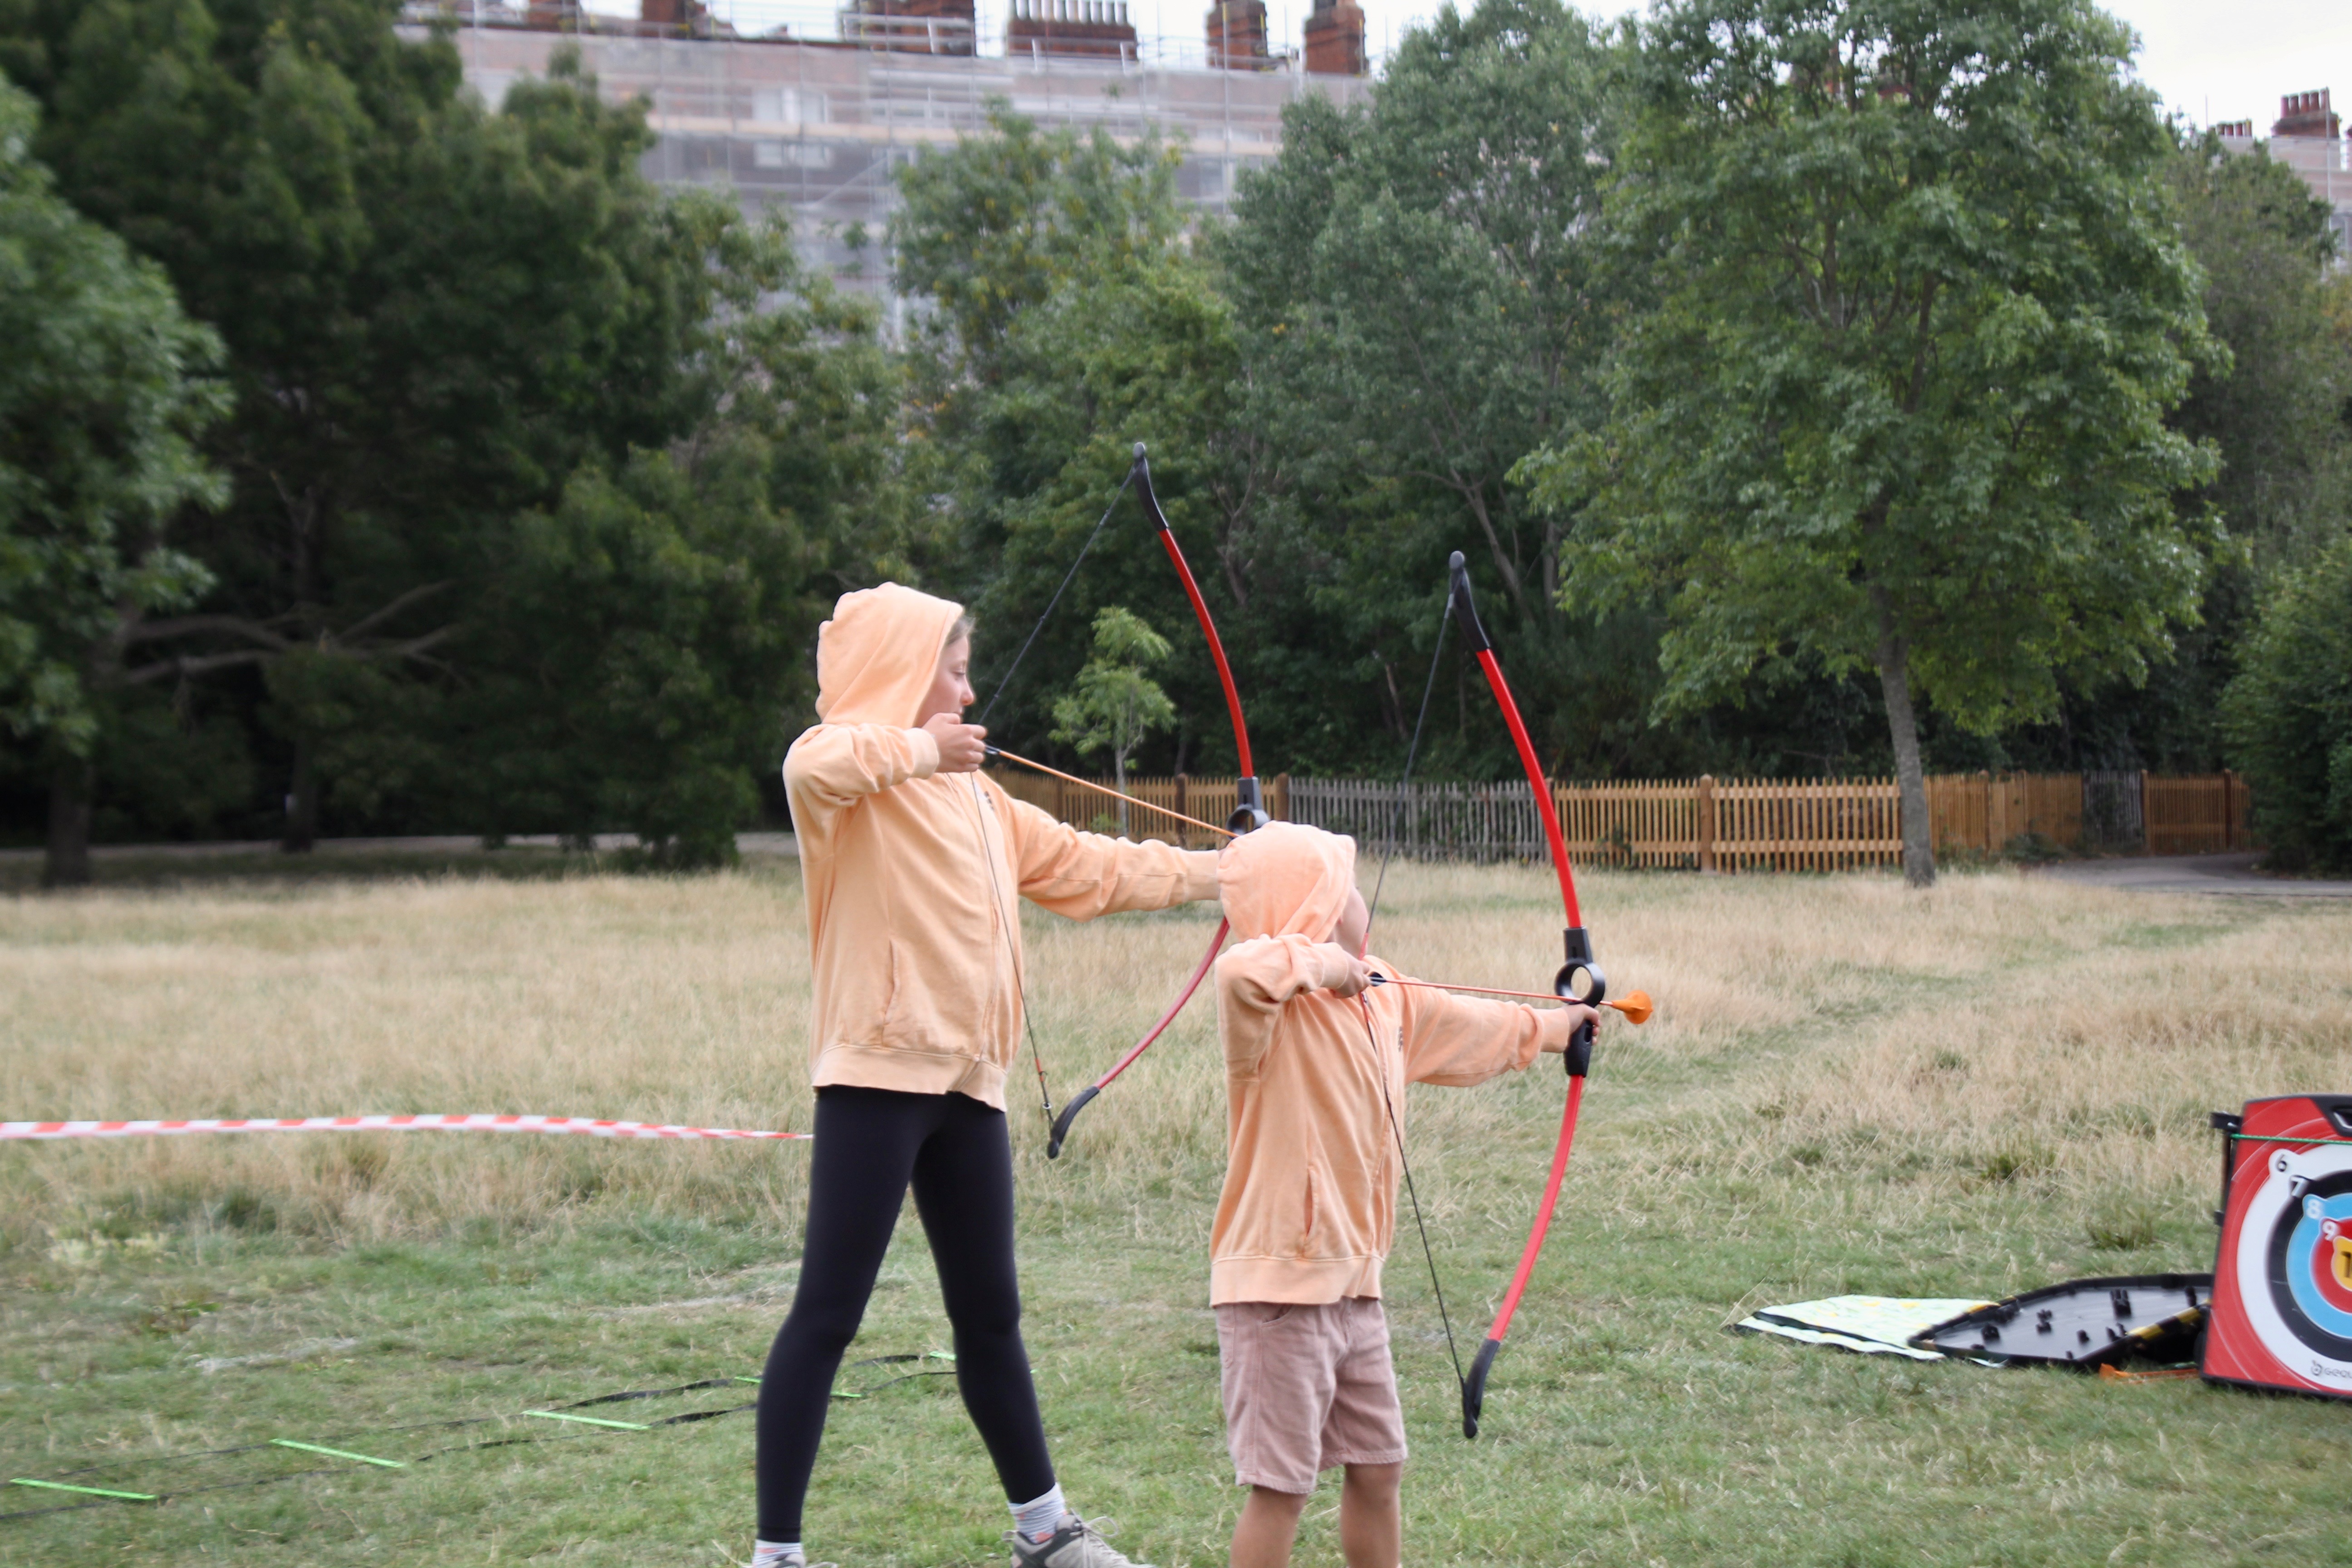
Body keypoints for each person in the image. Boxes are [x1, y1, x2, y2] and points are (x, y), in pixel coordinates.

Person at [758, 583, 1220, 1568]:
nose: (967, 696)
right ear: (901, 670)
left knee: (991, 1316)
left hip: (970, 1086)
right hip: (879, 1075)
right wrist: (921, 747)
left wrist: (1227, 873)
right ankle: (778, 1555)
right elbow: (819, 757)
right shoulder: (842, 779)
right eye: (954, 673)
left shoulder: (982, 801)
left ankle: (1046, 1530)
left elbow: (1091, 870)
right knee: (829, 1315)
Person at [1208, 822, 1599, 1568]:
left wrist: (1557, 1029)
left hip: (1357, 1286)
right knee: (1283, 1487)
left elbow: (1472, 1024)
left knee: (1380, 1466)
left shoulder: (1384, 996)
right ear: (1311, 909)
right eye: (1342, 888)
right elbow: (1239, 972)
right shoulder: (1266, 1010)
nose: (1359, 900)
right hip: (1275, 1289)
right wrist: (1324, 964)